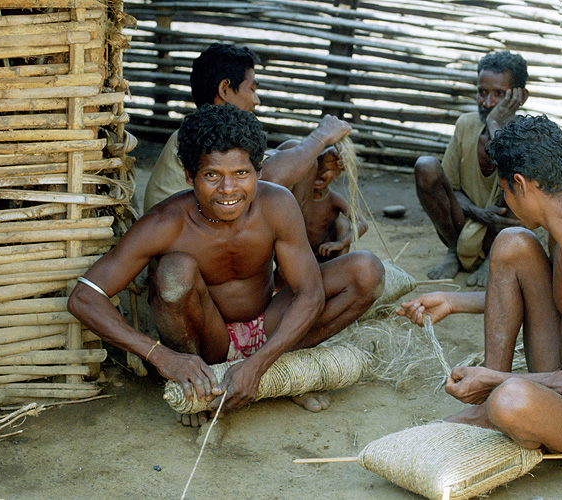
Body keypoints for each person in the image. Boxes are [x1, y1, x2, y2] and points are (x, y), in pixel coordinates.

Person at [69, 104, 384, 428]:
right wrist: (162, 356)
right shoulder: (166, 223)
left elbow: (310, 293)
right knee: (174, 271)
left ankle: (278, 372)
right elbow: (83, 298)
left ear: (258, 171)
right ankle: (195, 380)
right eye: (211, 176)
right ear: (190, 176)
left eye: (241, 174)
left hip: (269, 322)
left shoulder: (276, 204)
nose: (229, 189)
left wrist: (258, 365)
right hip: (209, 342)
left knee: (367, 271)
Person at [397, 115, 562, 467]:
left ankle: (496, 409)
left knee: (509, 400)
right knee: (512, 243)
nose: (505, 202)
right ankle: (485, 411)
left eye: (504, 191)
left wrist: (499, 380)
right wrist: (453, 301)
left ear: (520, 184)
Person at [143, 43, 351, 217]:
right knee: (296, 156)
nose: (256, 100)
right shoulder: (203, 134)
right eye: (252, 89)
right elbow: (268, 181)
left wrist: (316, 156)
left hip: (204, 228)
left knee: (293, 148)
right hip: (186, 241)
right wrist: (320, 137)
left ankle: (292, 255)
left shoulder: (212, 131)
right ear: (224, 89)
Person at [414, 51, 528, 287]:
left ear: (520, 96)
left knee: (517, 174)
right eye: (482, 92)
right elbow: (450, 189)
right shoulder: (466, 124)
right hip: (463, 221)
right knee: (426, 166)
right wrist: (479, 214)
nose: (487, 103)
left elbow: (520, 186)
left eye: (499, 94)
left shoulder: (527, 132)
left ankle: (494, 259)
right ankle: (454, 252)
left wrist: (496, 123)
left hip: (502, 228)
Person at [304, 146, 368, 263]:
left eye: (327, 169)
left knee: (343, 223)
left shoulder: (334, 199)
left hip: (326, 253)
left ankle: (339, 265)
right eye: (318, 167)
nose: (321, 173)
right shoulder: (300, 196)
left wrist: (340, 243)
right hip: (300, 253)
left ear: (336, 175)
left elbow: (362, 223)